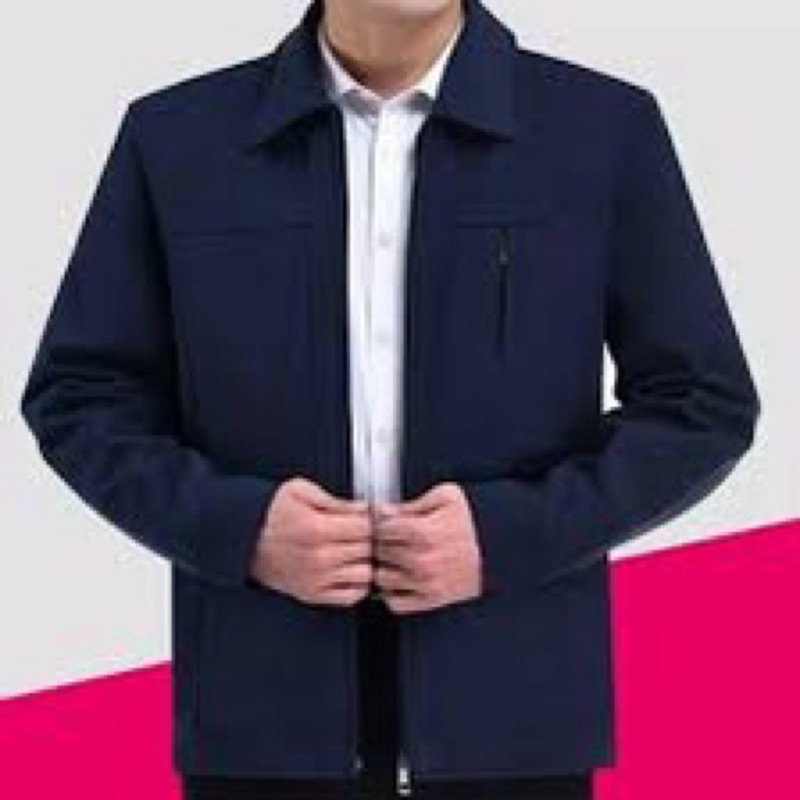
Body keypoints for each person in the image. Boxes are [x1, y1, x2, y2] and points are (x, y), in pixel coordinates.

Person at [19, 0, 761, 798]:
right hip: (260, 722)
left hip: (516, 725)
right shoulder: (177, 139)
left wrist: (510, 535)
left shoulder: (600, 131)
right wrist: (239, 529)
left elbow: (702, 402)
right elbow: (80, 394)